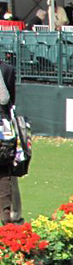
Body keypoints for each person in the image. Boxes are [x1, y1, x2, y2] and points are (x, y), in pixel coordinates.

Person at [0, 59, 19, 223]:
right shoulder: (7, 69)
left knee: (5, 174)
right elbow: (10, 100)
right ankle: (7, 218)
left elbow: (6, 99)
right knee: (5, 174)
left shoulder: (7, 69)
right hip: (5, 130)